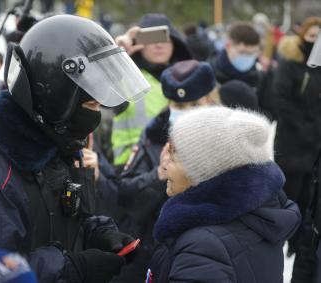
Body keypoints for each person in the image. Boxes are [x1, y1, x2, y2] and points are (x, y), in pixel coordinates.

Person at [0, 15, 146, 282]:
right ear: (57, 96)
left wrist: (98, 233)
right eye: (92, 105)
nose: (96, 114)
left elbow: (65, 220)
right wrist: (72, 268)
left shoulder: (57, 144)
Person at [148, 106, 301, 283]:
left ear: (204, 172)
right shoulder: (254, 218)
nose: (164, 165)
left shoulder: (202, 248)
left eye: (173, 157)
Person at [112, 59, 218, 283]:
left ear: (210, 100)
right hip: (154, 249)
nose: (186, 113)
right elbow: (126, 193)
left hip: (207, 253)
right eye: (179, 106)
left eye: (195, 105)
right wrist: (158, 175)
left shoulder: (228, 140)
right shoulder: (153, 137)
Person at [273, 16, 321, 283]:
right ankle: (284, 237)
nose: (315, 41)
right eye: (312, 35)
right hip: (292, 142)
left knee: (308, 196)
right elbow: (281, 98)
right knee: (289, 192)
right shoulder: (291, 63)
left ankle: (298, 243)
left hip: (315, 142)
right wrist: (302, 128)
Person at [111, 13, 192, 168]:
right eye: (151, 39)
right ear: (138, 44)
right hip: (131, 169)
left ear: (174, 44)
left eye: (164, 38)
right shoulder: (124, 77)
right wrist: (117, 57)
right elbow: (97, 95)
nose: (158, 45)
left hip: (179, 168)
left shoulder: (188, 80)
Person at [209, 22, 261, 88]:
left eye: (252, 53)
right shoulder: (209, 75)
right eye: (242, 52)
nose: (247, 57)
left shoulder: (257, 79)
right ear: (228, 46)